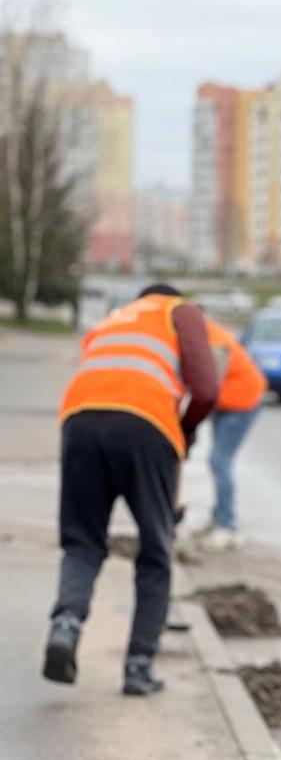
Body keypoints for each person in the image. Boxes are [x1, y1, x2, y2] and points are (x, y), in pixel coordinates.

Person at [46, 283, 218, 695]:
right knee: (155, 549)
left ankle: (65, 625)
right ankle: (139, 666)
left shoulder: (113, 319)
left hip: (80, 421)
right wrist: (186, 431)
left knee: (82, 542)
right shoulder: (181, 311)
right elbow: (208, 389)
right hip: (145, 426)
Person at [194, 318, 267, 552]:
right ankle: (219, 518)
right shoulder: (203, 335)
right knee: (219, 461)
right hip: (226, 405)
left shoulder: (215, 341)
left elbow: (208, 386)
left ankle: (227, 527)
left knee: (219, 461)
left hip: (242, 403)